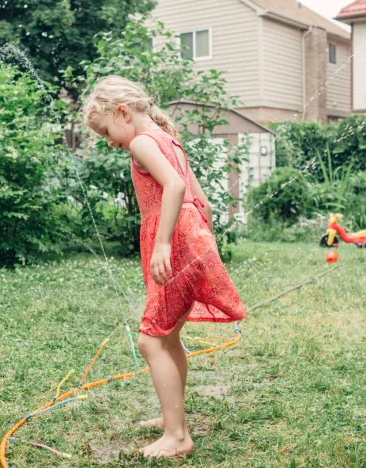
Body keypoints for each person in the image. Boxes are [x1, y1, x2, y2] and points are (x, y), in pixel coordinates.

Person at [81, 75, 246, 458]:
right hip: (192, 241)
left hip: (176, 245)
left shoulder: (141, 141)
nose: (110, 141)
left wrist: (164, 243)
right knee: (169, 335)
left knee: (151, 339)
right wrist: (202, 242)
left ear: (122, 111)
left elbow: (173, 186)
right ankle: (172, 416)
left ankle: (177, 436)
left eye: (107, 131)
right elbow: (200, 200)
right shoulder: (169, 139)